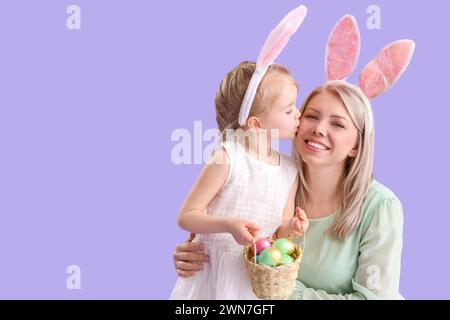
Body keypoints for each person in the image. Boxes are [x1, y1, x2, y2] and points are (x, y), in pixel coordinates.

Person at [171, 15, 415, 300]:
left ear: (356, 146)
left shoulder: (380, 207)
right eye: (310, 115)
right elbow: (229, 230)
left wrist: (280, 291)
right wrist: (198, 254)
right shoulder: (278, 182)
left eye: (337, 124)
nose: (318, 129)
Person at [170, 5, 309, 299]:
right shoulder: (228, 157)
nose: (299, 114)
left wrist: (292, 229)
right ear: (257, 124)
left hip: (252, 281)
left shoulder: (289, 170)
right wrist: (228, 226)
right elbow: (187, 215)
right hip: (212, 277)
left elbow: (276, 236)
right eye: (288, 109)